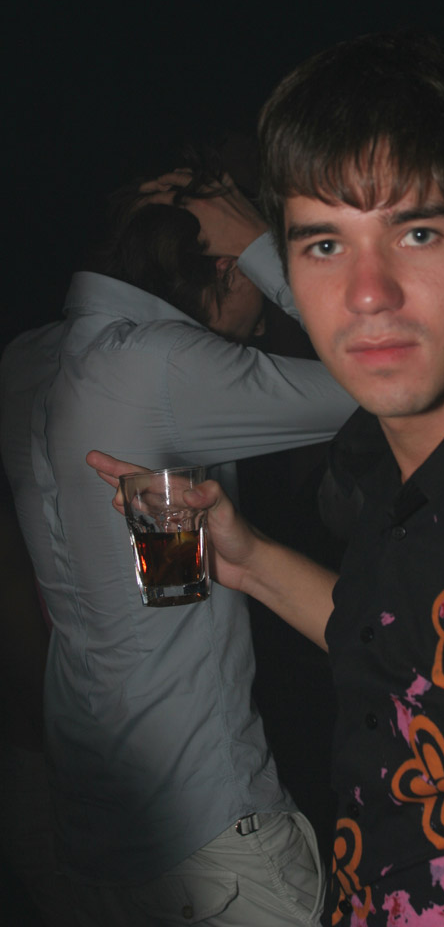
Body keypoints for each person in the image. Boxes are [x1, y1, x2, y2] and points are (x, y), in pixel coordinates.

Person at [91, 32, 444, 926]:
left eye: (417, 232)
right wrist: (249, 558)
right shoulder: (408, 469)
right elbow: (409, 652)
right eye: (323, 245)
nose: (368, 292)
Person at [0, 150, 356, 926]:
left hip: (99, 834)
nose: (259, 330)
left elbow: (163, 575)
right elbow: (384, 380)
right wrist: (266, 246)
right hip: (213, 836)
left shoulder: (24, 363)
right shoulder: (160, 365)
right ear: (226, 268)